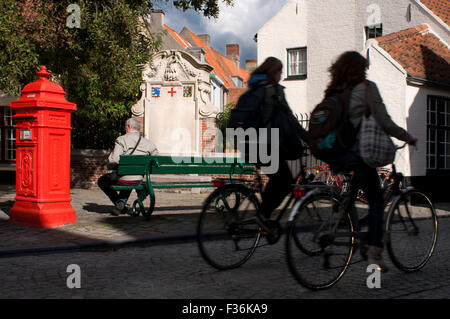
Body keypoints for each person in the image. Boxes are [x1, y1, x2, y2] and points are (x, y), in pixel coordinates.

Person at [324, 51, 417, 271]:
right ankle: (374, 254)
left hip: (335, 153)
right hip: (359, 154)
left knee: (354, 190)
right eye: (364, 67)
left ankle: (342, 215)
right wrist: (407, 136)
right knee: (376, 202)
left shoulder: (333, 90)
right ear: (360, 68)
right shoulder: (367, 88)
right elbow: (384, 121)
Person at [249, 57, 309, 233]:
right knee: (285, 181)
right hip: (265, 145)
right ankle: (262, 216)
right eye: (279, 71)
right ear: (272, 72)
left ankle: (263, 216)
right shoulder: (272, 91)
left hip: (253, 144)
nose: (281, 75)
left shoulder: (256, 89)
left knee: (278, 180)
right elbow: (290, 119)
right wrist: (308, 137)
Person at [98, 117, 159, 216]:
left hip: (124, 179)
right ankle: (122, 204)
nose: (124, 129)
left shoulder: (122, 140)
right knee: (130, 177)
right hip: (138, 179)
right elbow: (157, 159)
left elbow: (113, 159)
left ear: (129, 126)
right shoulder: (149, 143)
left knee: (102, 181)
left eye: (125, 126)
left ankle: (120, 204)